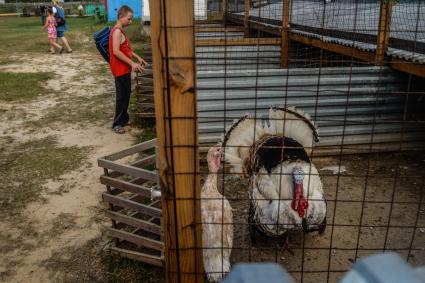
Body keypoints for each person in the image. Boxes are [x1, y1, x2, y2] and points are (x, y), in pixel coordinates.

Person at [109, 5, 146, 134]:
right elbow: (116, 52)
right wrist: (132, 64)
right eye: (129, 19)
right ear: (121, 17)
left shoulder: (121, 30)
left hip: (124, 69)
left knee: (126, 94)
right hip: (120, 70)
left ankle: (123, 119)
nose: (130, 21)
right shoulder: (117, 31)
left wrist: (137, 57)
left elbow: (126, 49)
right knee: (121, 96)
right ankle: (117, 124)